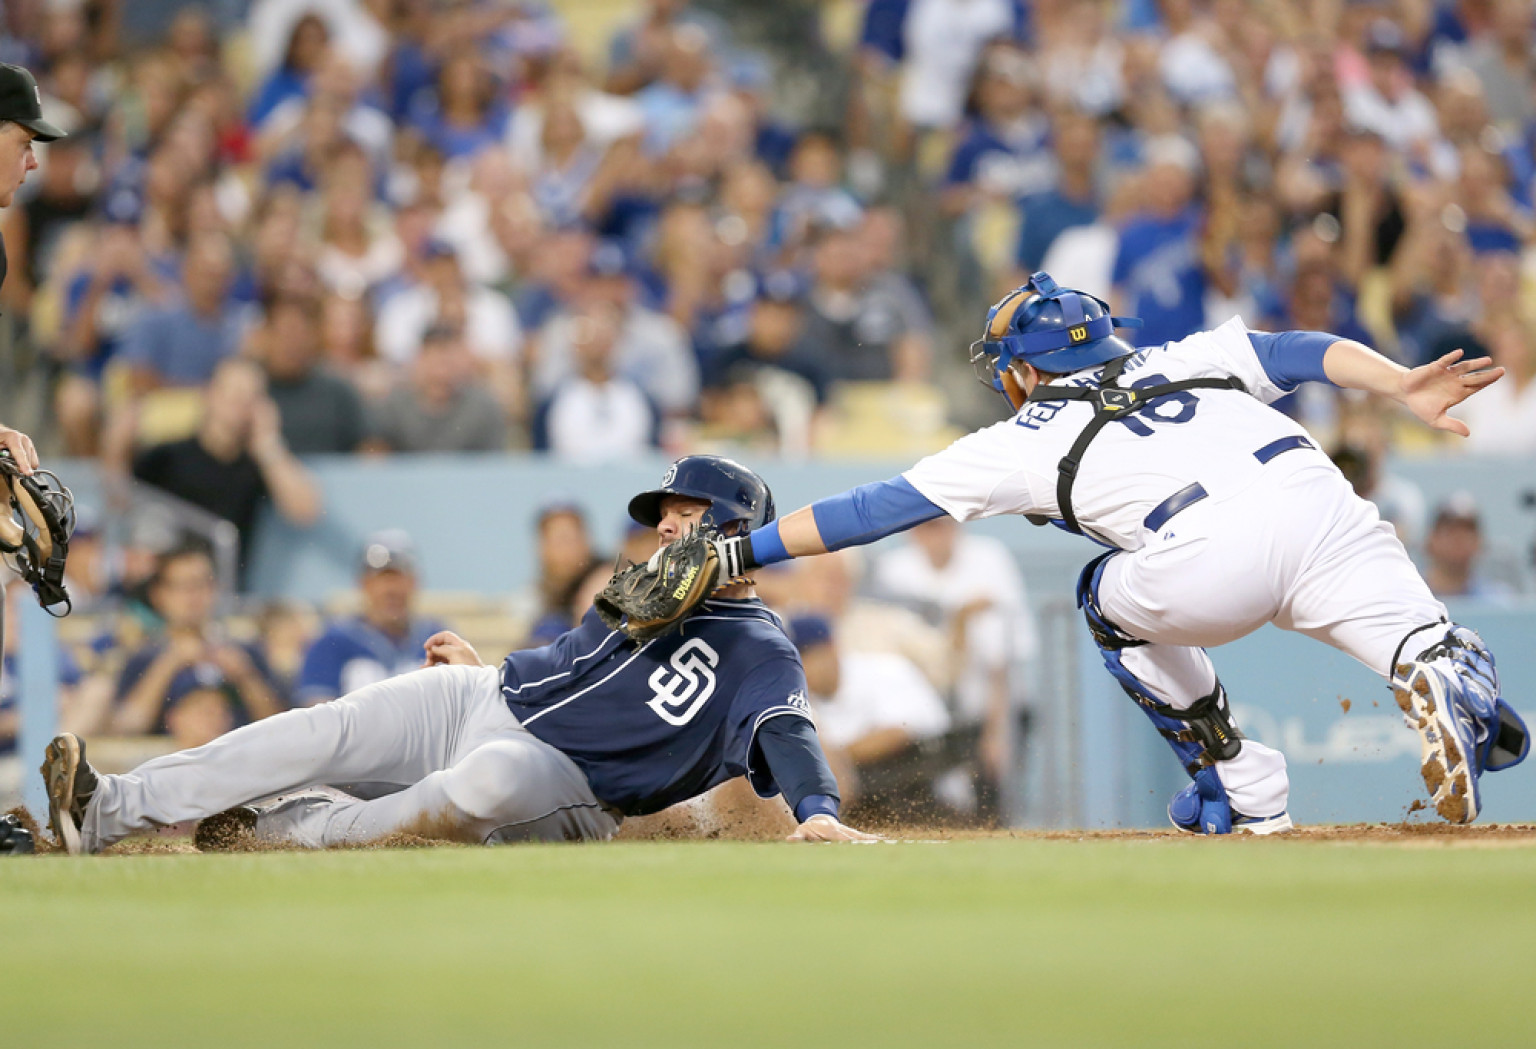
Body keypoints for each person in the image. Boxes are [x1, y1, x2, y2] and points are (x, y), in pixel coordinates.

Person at [708, 270, 1530, 833]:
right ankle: (1437, 665)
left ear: (1025, 369)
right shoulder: (1185, 354)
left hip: (1207, 551)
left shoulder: (1020, 437)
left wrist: (743, 550)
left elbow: (869, 509)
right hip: (1320, 502)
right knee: (1414, 629)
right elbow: (1297, 350)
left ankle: (1241, 780)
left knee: (1105, 597)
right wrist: (1399, 381)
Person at [41, 456, 873, 854]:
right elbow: (574, 666)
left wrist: (820, 811)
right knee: (317, 730)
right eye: (662, 511)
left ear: (736, 527)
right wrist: (489, 665)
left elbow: (786, 734)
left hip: (564, 782)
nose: (663, 524)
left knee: (472, 790)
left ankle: (285, 831)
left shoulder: (762, 650)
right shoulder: (642, 585)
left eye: (685, 512)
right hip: (487, 694)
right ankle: (106, 805)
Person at [293, 531, 446, 706]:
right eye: (381, 579)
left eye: (398, 578)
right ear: (363, 583)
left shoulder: (438, 639)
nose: (391, 590)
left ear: (414, 582)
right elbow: (318, 717)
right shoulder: (331, 642)